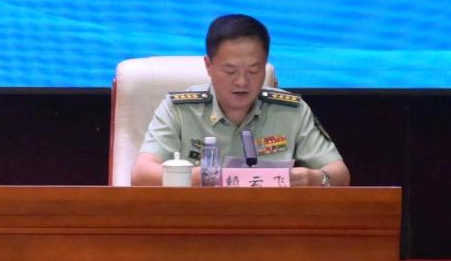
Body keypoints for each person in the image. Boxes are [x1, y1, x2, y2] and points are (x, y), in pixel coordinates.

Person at [133, 13, 348, 187]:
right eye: (230, 71)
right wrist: (196, 177)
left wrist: (314, 179)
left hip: (272, 227)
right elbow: (141, 175)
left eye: (254, 70)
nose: (242, 81)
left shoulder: (291, 110)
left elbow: (340, 174)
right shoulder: (180, 109)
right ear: (209, 66)